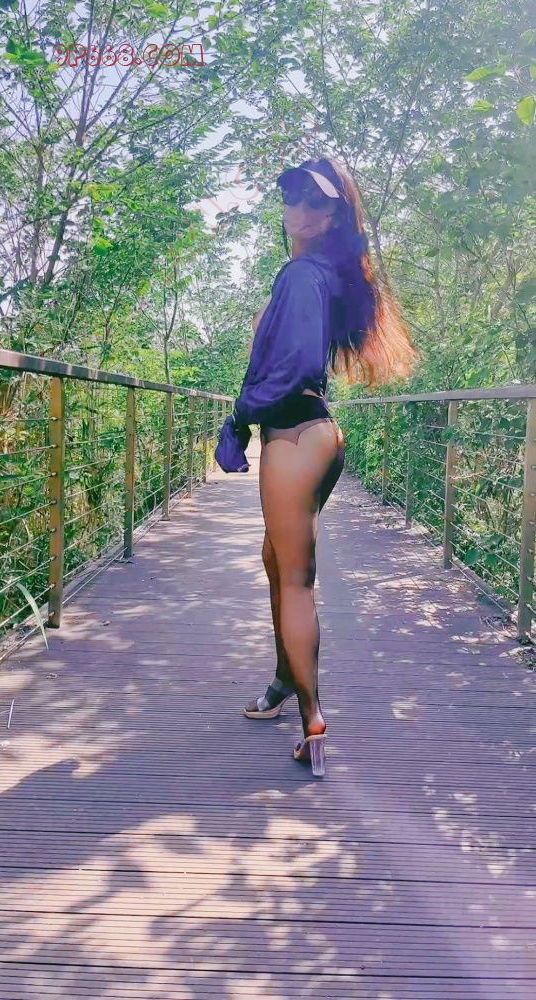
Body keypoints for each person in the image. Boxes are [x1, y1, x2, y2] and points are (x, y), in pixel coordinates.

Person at [230, 157, 419, 776]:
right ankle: (286, 678)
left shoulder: (303, 274)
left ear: (334, 215)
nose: (298, 208)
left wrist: (239, 418)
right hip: (314, 434)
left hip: (293, 436)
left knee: (295, 579)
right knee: (276, 559)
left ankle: (313, 720)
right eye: (291, 194)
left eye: (314, 200)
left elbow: (295, 366)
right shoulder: (320, 274)